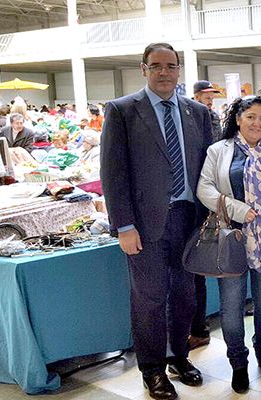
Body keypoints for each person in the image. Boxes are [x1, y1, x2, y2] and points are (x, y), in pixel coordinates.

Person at [100, 42, 213, 400]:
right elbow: (112, 173)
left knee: (184, 297)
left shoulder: (197, 112)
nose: (165, 72)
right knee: (149, 299)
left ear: (179, 70)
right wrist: (123, 225)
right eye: (157, 66)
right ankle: (152, 370)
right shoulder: (122, 111)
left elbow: (207, 170)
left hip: (189, 220)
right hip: (143, 226)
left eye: (171, 66)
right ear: (143, 69)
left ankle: (179, 356)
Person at [196, 95, 261, 393]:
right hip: (232, 241)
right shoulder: (219, 150)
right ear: (238, 119)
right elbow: (204, 189)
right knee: (231, 306)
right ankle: (238, 362)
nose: (257, 123)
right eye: (250, 117)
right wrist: (239, 210)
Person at [186, 80, 224, 351]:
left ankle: (198, 328)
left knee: (194, 269)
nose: (211, 99)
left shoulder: (210, 118)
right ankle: (195, 327)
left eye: (212, 96)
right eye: (208, 95)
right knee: (191, 269)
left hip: (202, 203)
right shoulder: (197, 117)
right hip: (194, 201)